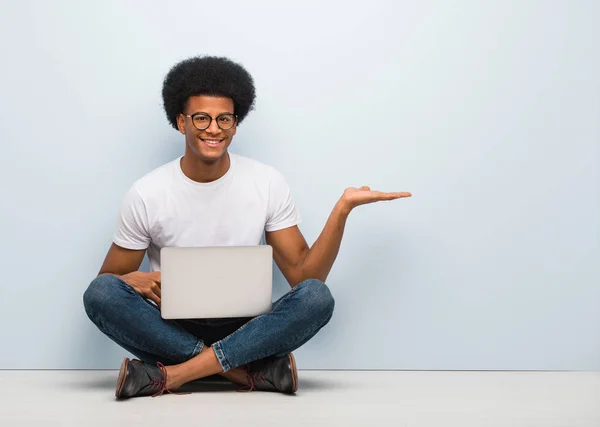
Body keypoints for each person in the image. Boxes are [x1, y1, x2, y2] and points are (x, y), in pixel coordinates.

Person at [83, 56, 411, 399]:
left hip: (249, 328)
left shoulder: (266, 182)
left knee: (317, 297)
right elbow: (107, 285)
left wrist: (341, 210)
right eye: (202, 118)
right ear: (181, 122)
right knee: (100, 295)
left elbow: (305, 278)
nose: (214, 128)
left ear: (236, 124)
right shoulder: (146, 193)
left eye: (224, 118)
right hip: (172, 326)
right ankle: (244, 373)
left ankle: (175, 375)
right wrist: (132, 279)